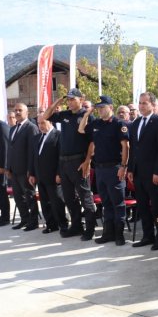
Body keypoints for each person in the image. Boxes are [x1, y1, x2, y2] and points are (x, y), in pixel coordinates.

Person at [44, 88, 97, 239]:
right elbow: (46, 116)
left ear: (81, 99)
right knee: (68, 198)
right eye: (68, 99)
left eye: (73, 99)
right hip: (64, 162)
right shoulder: (65, 114)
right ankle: (76, 226)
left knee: (85, 196)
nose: (70, 102)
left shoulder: (87, 116)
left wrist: (88, 161)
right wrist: (57, 101)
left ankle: (90, 229)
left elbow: (92, 142)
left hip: (79, 161)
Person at [79, 96, 130, 245]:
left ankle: (119, 235)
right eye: (99, 108)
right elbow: (81, 129)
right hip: (100, 169)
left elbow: (126, 146)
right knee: (106, 203)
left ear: (111, 108)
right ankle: (108, 234)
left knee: (118, 203)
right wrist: (87, 114)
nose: (100, 110)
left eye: (103, 107)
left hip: (114, 168)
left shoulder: (119, 124)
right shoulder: (96, 124)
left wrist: (123, 166)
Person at [128, 92, 158, 250]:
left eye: (145, 103)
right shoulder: (137, 122)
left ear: (153, 105)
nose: (141, 105)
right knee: (143, 206)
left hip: (153, 173)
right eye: (140, 103)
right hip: (138, 172)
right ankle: (147, 236)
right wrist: (131, 168)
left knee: (157, 206)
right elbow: (134, 148)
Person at [28, 116, 67, 234]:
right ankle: (51, 224)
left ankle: (63, 224)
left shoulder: (58, 135)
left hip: (53, 176)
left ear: (50, 122)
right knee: (45, 202)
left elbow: (61, 157)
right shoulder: (37, 138)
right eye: (38, 123)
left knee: (57, 202)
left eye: (43, 123)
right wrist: (32, 173)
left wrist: (59, 173)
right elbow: (33, 157)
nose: (40, 126)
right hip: (40, 176)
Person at [6, 103, 41, 231]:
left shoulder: (31, 128)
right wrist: (8, 168)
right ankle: (24, 219)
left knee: (29, 196)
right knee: (18, 197)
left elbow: (33, 151)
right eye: (15, 110)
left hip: (25, 170)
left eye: (20, 110)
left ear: (27, 113)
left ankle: (33, 221)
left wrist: (30, 171)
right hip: (14, 170)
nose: (17, 112)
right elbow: (10, 150)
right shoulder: (13, 129)